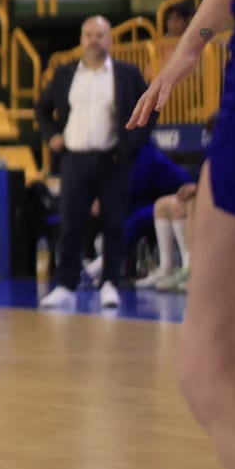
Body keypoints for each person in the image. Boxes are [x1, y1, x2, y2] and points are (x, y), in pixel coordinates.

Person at [34, 17, 149, 311]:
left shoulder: (126, 73)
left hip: (112, 157)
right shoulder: (65, 73)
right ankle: (66, 285)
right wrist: (51, 135)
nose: (94, 40)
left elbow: (149, 109)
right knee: (70, 222)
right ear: (81, 39)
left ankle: (110, 282)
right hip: (74, 157)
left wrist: (129, 145)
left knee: (114, 223)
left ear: (110, 39)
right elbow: (42, 109)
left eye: (100, 34)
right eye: (88, 34)